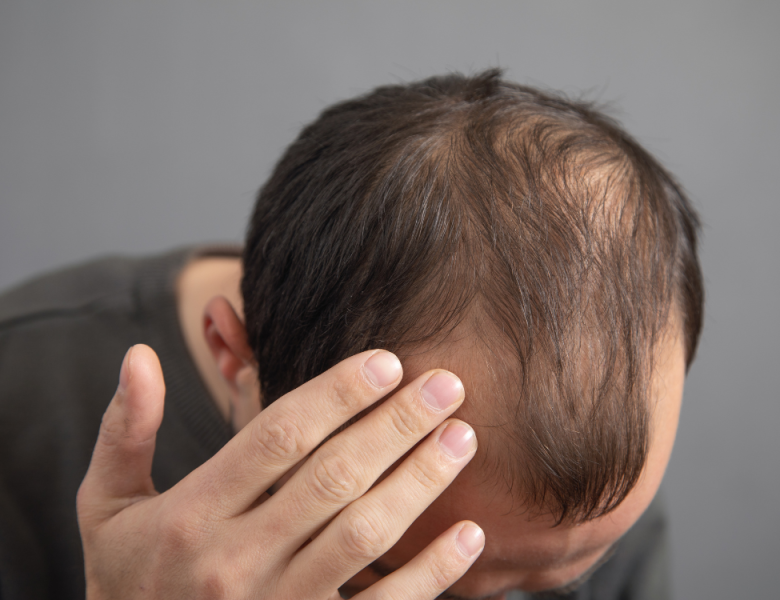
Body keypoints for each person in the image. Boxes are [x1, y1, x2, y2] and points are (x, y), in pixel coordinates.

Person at [0, 70, 703, 599]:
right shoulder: (21, 408)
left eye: (548, 583)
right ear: (236, 356)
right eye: (389, 568)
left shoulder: (589, 471)